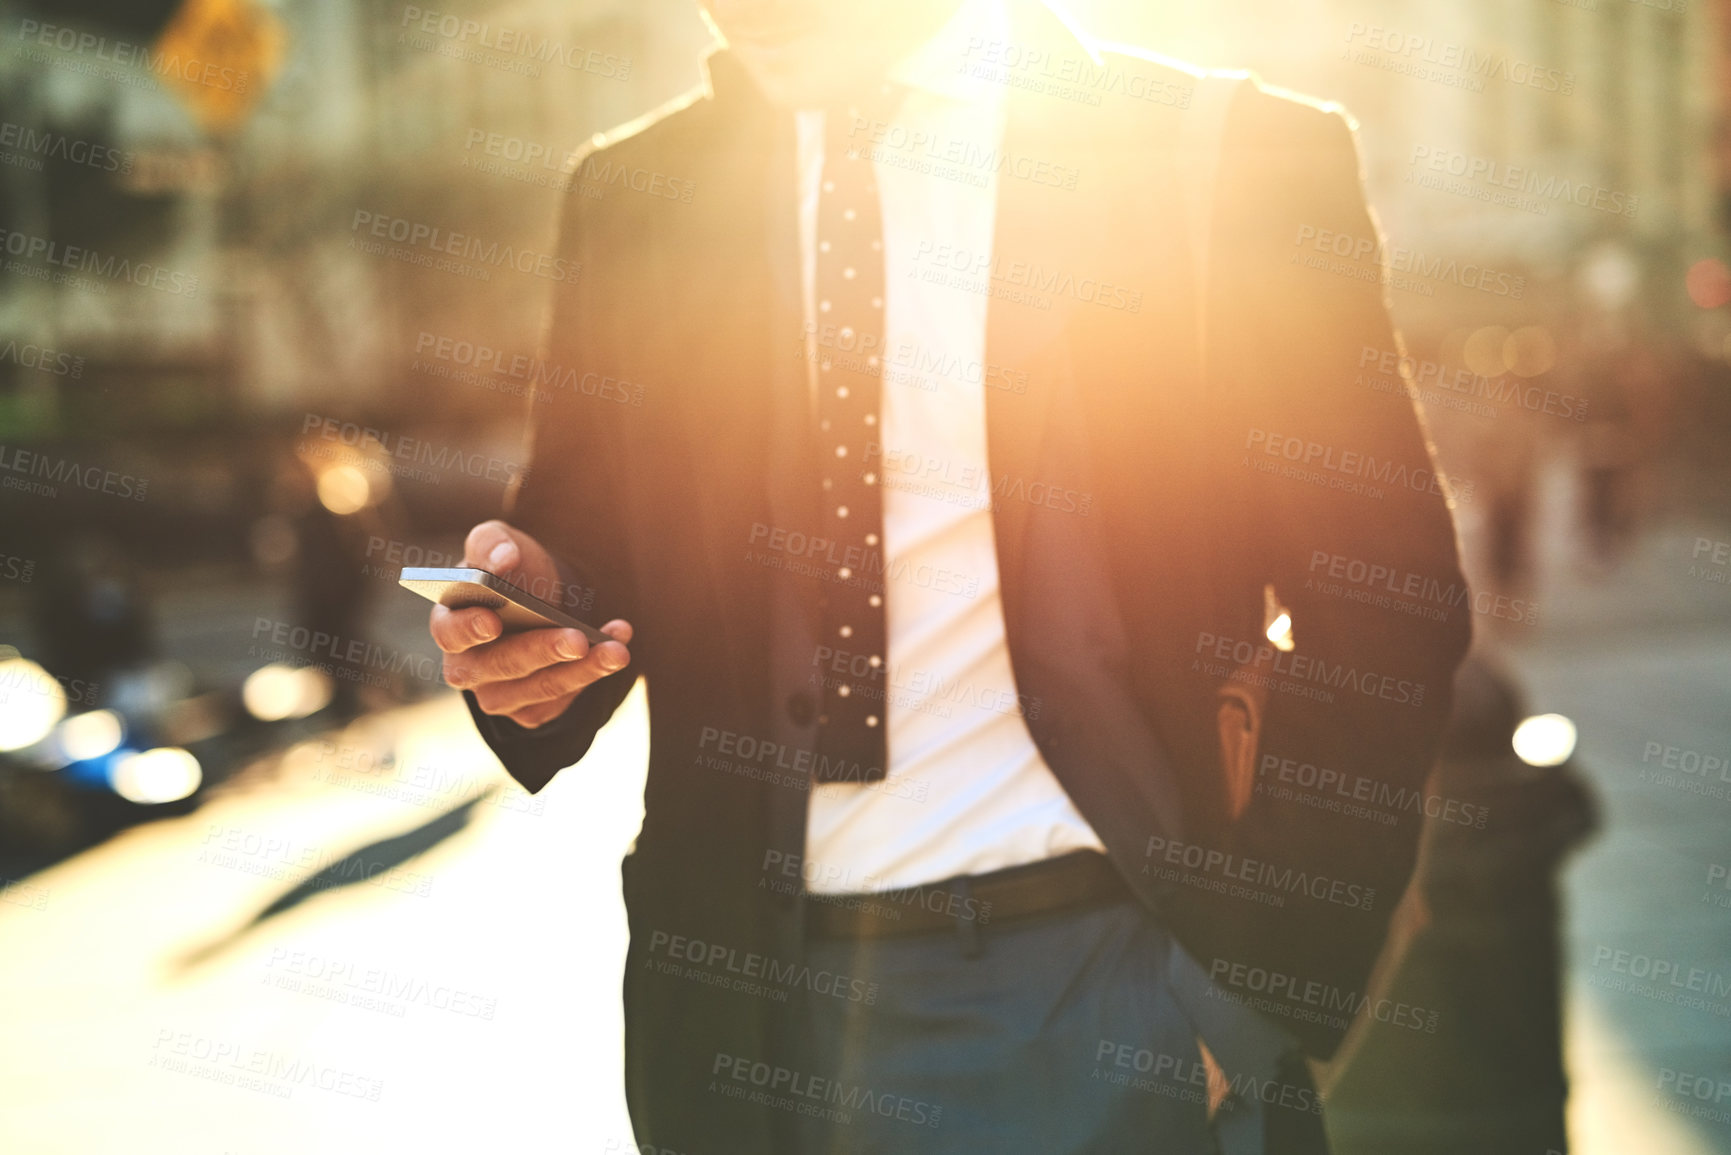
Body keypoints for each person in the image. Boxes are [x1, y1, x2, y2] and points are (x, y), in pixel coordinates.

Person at [428, 0, 1472, 1150]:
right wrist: (530, 638)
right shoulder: (634, 194)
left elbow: (1382, 595)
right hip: (746, 1026)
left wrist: (1252, 999)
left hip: (1105, 997)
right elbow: (590, 541)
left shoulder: (1219, 159)